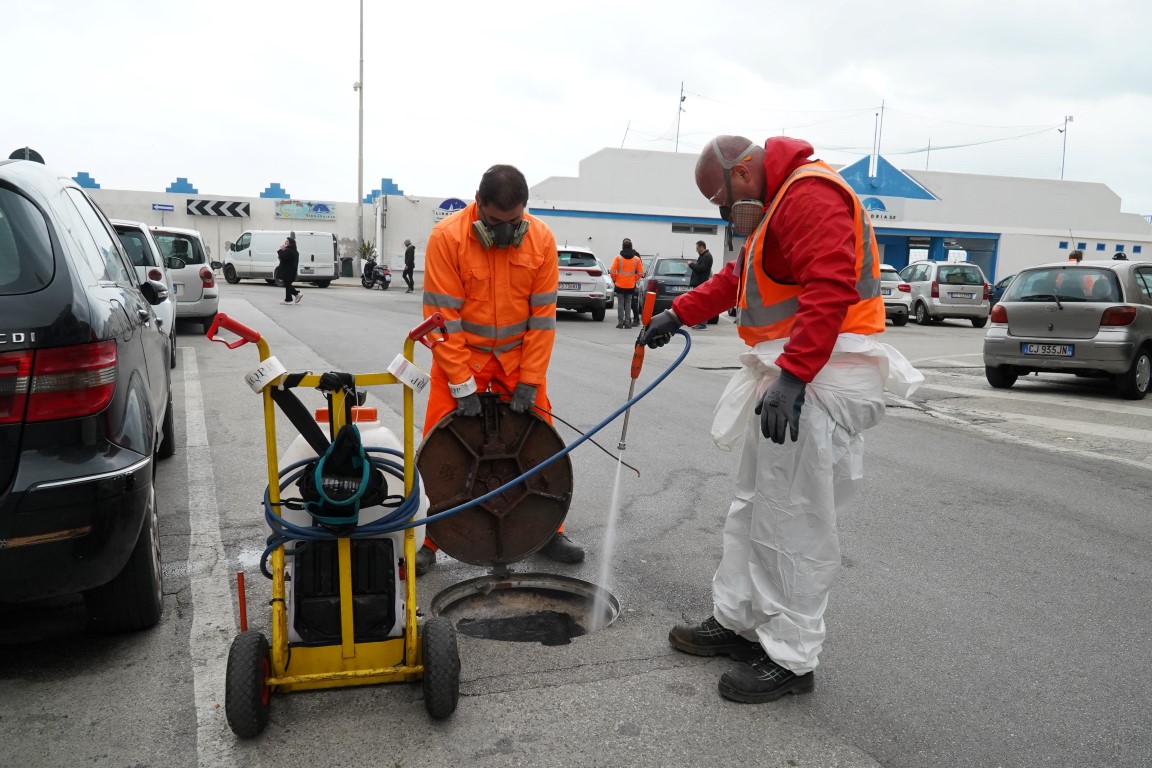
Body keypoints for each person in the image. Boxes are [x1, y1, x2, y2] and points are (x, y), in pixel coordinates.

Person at [638, 135, 921, 704]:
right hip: (792, 375)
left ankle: (791, 658)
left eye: (721, 200)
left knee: (794, 520)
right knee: (753, 506)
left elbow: (830, 287)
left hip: (818, 381)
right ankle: (740, 622)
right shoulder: (778, 206)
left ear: (743, 172)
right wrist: (677, 312)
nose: (724, 213)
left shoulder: (809, 195)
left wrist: (795, 375)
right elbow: (736, 281)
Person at [415, 164, 585, 575]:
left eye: (514, 223)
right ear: (478, 202)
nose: (506, 233)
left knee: (539, 443)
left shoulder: (541, 239)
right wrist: (460, 382)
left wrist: (529, 380)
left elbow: (542, 319)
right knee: (441, 447)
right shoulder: (448, 238)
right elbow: (442, 318)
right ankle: (429, 540)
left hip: (517, 361)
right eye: (495, 223)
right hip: (463, 355)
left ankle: (548, 530)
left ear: (525, 210)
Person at [610, 238, 645, 328]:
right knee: (628, 303)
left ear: (622, 246)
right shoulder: (636, 259)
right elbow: (641, 273)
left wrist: (615, 279)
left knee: (621, 303)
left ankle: (621, 322)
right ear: (631, 246)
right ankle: (628, 322)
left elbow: (612, 271)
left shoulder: (618, 258)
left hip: (619, 284)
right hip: (630, 285)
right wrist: (634, 279)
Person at [686, 240, 714, 330]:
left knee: (700, 304)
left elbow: (701, 268)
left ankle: (702, 323)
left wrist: (691, 264)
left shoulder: (707, 256)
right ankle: (699, 322)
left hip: (701, 283)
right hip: (699, 283)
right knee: (698, 304)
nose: (696, 250)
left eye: (697, 248)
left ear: (702, 247)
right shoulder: (703, 256)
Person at [278, 232, 301, 304]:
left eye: (287, 241)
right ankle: (296, 295)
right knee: (287, 284)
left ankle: (289, 298)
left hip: (287, 270)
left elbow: (283, 257)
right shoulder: (294, 250)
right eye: (286, 241)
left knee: (287, 284)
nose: (285, 242)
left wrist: (281, 250)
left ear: (291, 243)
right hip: (291, 270)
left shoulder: (289, 250)